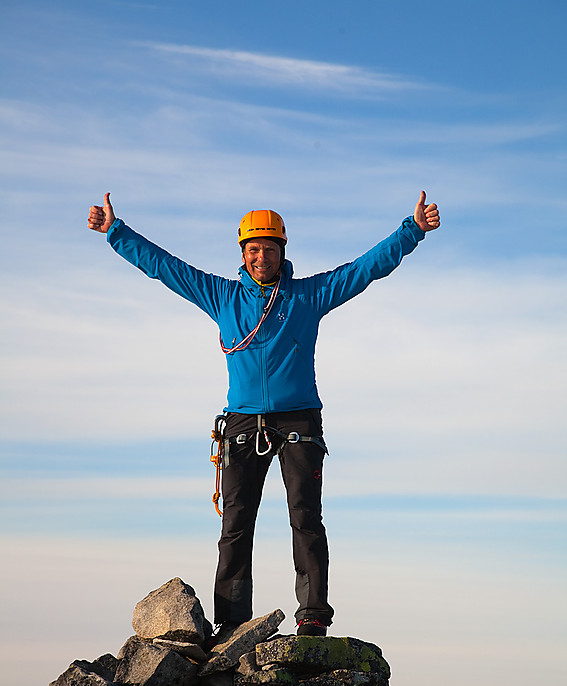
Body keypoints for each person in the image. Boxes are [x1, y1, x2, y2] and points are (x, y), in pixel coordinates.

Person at [88, 191, 440, 636]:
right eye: (253, 249)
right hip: (242, 422)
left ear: (282, 253)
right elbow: (166, 268)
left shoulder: (308, 296)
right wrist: (116, 233)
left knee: (305, 519)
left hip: (299, 420)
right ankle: (233, 623)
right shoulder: (222, 296)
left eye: (269, 249)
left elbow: (365, 269)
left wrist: (412, 231)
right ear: (242, 254)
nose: (261, 257)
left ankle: (312, 615)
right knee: (236, 525)